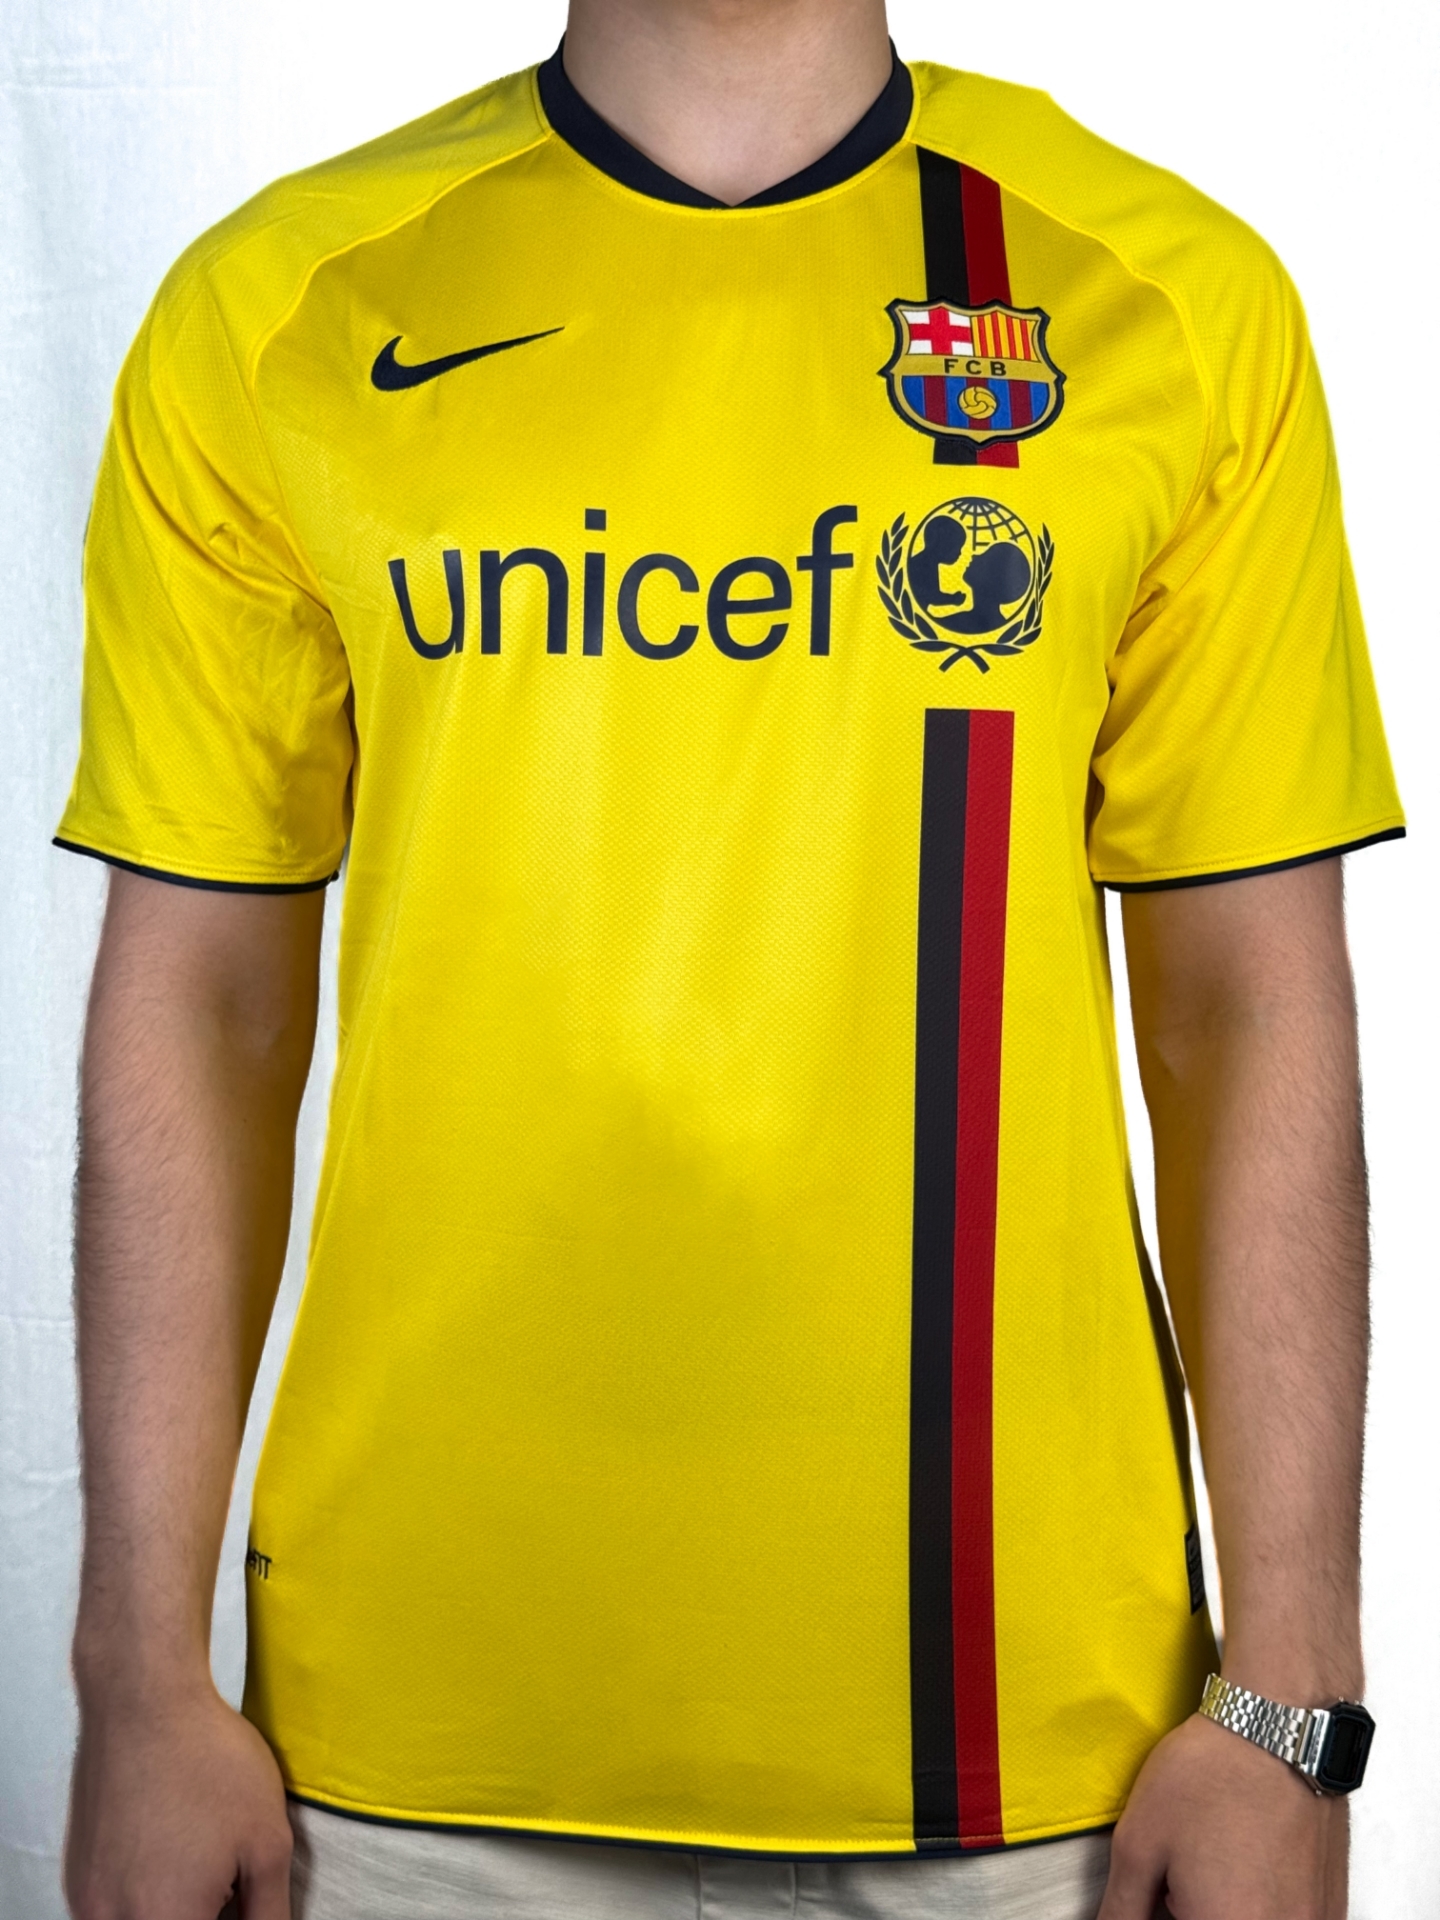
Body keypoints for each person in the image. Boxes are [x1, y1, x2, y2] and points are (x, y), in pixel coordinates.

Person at [57, 1, 1403, 1916]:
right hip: (405, 1757)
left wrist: (1292, 1703)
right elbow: (203, 1000)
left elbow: (1246, 1008)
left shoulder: (1167, 298)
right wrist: (133, 1681)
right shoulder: (279, 307)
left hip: (1038, 1767)